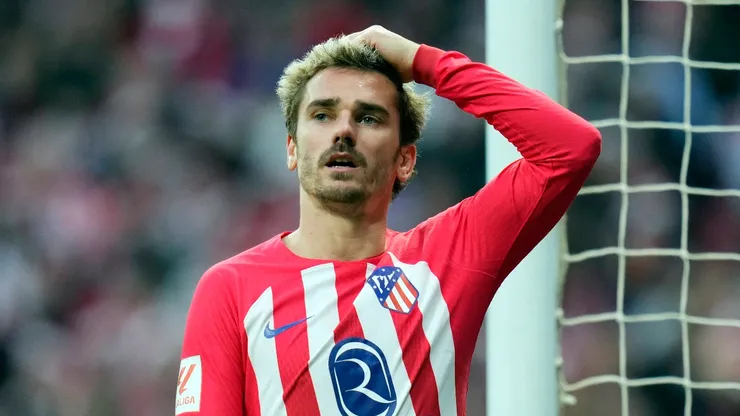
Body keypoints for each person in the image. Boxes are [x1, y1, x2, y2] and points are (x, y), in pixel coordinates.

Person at [175, 25, 601, 416]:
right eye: (322, 115)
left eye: (368, 117)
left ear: (404, 161)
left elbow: (570, 147)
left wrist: (424, 62)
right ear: (291, 148)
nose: (344, 131)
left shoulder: (446, 260)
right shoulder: (231, 288)